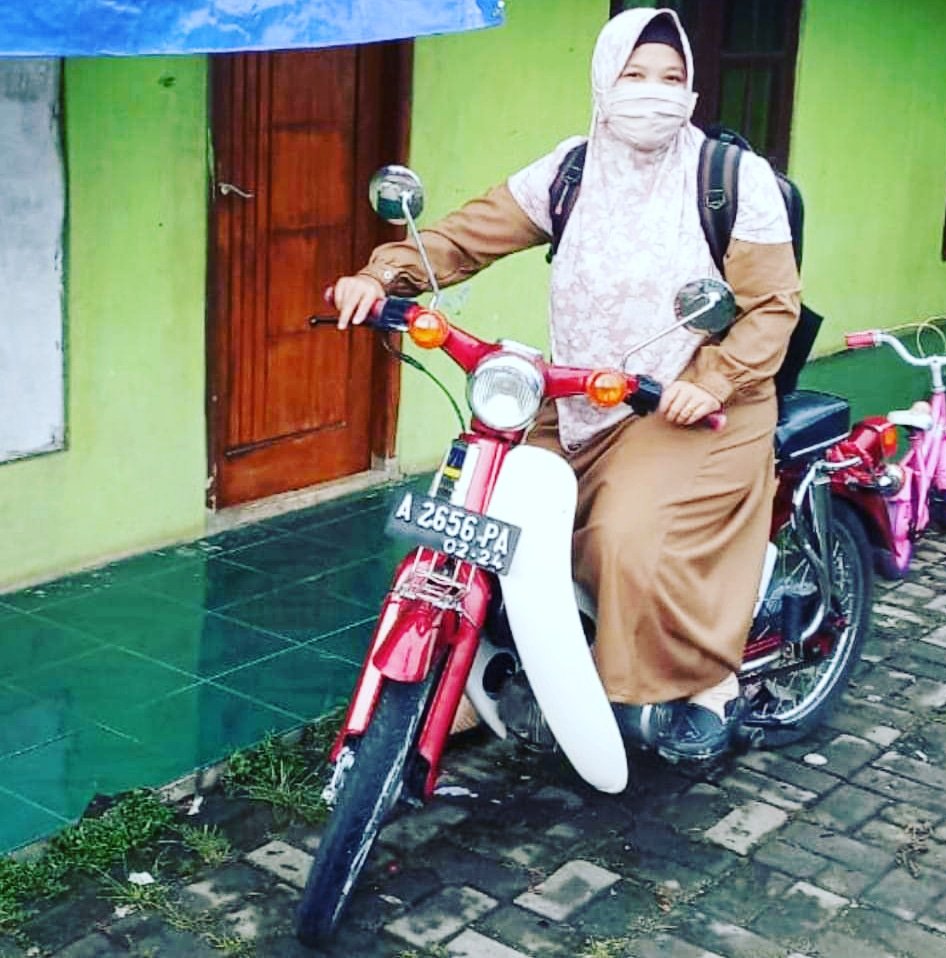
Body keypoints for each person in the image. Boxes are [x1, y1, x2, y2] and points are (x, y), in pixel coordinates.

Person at [331, 7, 800, 762]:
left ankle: (705, 680)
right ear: (604, 80)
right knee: (486, 511)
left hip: (695, 403)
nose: (653, 92)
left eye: (671, 77)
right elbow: (461, 238)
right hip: (583, 394)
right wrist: (382, 274)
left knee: (625, 539)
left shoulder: (732, 179)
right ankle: (471, 673)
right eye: (635, 74)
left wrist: (711, 381)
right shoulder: (569, 170)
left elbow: (772, 308)